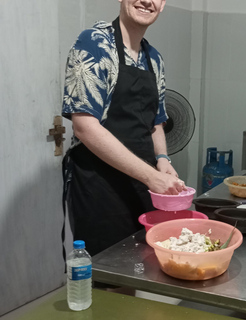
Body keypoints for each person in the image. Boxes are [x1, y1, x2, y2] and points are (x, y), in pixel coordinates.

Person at [62, 0, 186, 257]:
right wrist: (152, 176)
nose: (146, 1)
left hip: (140, 185)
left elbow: (156, 121)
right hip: (100, 187)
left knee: (138, 267)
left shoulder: (154, 59)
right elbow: (84, 126)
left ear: (162, 5)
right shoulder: (94, 44)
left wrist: (162, 158)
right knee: (107, 278)